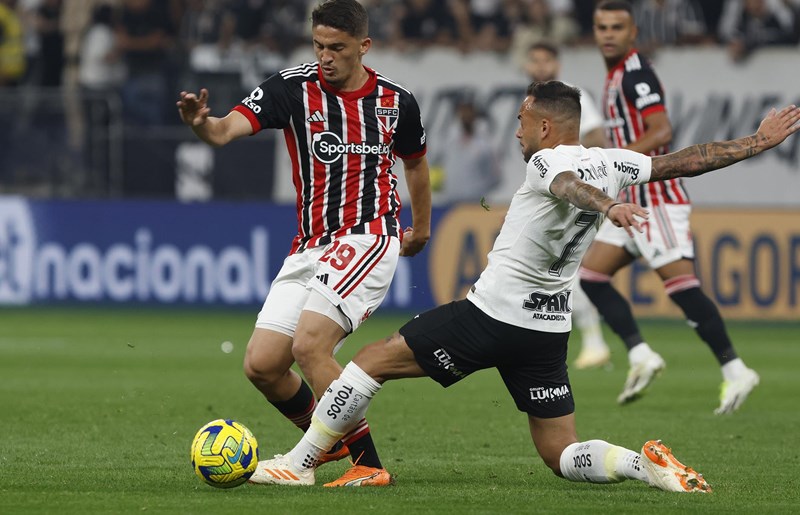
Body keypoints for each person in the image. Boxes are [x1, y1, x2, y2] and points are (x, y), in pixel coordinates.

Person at [247, 80, 800, 489]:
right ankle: (643, 466)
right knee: (560, 453)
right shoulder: (614, 160)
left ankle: (299, 465)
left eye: (520, 119)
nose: (515, 130)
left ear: (543, 126)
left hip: (490, 316)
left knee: (369, 361)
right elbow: (685, 161)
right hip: (545, 331)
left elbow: (565, 186)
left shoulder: (547, 161)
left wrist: (606, 206)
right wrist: (756, 142)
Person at [176, 0, 431, 487]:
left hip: (369, 235)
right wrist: (199, 124)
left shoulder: (398, 101)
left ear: (364, 46)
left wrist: (420, 229)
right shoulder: (292, 88)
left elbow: (415, 164)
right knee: (263, 364)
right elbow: (225, 129)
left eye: (337, 47)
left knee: (310, 344)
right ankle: (328, 439)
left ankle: (362, 464)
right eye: (318, 46)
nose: (326, 56)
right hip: (311, 244)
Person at [579, 0, 759, 413]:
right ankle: (641, 355)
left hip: (657, 200)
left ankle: (736, 370)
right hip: (633, 199)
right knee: (591, 276)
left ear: (633, 33)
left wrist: (616, 164)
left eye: (616, 27)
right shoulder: (615, 75)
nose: (607, 34)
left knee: (682, 289)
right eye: (601, 26)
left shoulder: (636, 75)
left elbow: (661, 130)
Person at [524, 41, 610, 369]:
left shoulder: (574, 99)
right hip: (552, 195)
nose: (541, 66)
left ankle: (593, 341)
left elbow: (598, 139)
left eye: (547, 60)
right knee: (552, 271)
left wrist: (583, 176)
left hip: (573, 194)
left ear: (557, 64)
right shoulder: (533, 103)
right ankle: (587, 341)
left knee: (561, 271)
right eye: (535, 60)